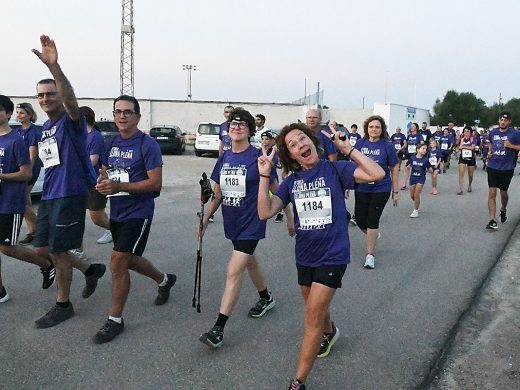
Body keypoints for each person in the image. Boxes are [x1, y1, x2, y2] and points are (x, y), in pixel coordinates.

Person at [256, 122, 384, 390]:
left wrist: (349, 149)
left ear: (313, 142)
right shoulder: (291, 182)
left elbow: (377, 173)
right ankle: (331, 331)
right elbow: (265, 212)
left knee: (312, 318)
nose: (300, 144)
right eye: (292, 144)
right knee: (315, 308)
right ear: (290, 156)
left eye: (303, 138)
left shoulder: (335, 170)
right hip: (305, 256)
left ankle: (298, 381)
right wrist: (264, 176)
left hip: (333, 255)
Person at [32, 35, 106, 328]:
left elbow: (71, 101)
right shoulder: (45, 127)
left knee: (59, 250)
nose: (46, 99)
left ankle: (63, 304)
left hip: (70, 193)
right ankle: (91, 269)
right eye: (41, 95)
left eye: (50, 94)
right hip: (50, 195)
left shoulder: (69, 120)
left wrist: (55, 69)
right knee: (44, 249)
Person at [93, 95, 176, 343]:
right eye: (118, 111)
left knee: (118, 261)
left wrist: (121, 185)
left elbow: (155, 183)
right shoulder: (111, 142)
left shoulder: (147, 144)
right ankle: (164, 280)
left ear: (138, 116)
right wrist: (103, 181)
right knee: (129, 260)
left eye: (128, 112)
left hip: (138, 212)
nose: (122, 116)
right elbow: (106, 171)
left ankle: (115, 320)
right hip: (117, 211)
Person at [197, 108, 283, 349]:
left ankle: (218, 329)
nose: (236, 128)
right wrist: (205, 218)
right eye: (232, 124)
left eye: (242, 124)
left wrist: (288, 217)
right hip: (232, 221)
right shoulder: (224, 158)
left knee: (233, 270)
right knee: (249, 260)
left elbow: (277, 191)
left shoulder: (259, 157)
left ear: (250, 130)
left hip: (253, 221)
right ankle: (266, 298)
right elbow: (218, 192)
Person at [0, 95, 55, 303]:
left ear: (7, 113)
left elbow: (26, 173)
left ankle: (46, 264)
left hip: (9, 201)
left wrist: (1, 176)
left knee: (7, 248)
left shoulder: (16, 140)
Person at [353, 115, 399, 269]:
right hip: (362, 187)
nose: (374, 129)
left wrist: (396, 191)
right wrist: (347, 186)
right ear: (366, 128)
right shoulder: (360, 144)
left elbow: (394, 167)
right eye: (371, 126)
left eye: (377, 127)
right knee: (360, 220)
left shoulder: (387, 145)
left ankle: (370, 255)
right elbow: (352, 166)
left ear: (382, 129)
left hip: (381, 188)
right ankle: (373, 235)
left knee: (373, 219)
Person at [485, 111, 520, 230]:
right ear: (498, 120)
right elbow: (491, 143)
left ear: (509, 122)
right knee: (492, 192)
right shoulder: (493, 132)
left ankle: (503, 209)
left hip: (507, 168)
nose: (503, 122)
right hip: (493, 166)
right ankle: (492, 220)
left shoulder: (515, 134)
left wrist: (511, 146)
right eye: (501, 120)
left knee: (503, 193)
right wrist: (489, 152)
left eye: (505, 120)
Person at [82, 106, 112, 245]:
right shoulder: (80, 135)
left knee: (96, 216)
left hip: (95, 181)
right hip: (81, 182)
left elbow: (93, 160)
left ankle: (114, 230)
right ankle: (77, 250)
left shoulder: (95, 136)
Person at [15, 102, 42, 245]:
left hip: (29, 171)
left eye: (22, 113)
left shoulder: (33, 133)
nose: (18, 115)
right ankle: (34, 232)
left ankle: (39, 229)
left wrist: (27, 173)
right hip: (20, 171)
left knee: (21, 202)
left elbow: (33, 156)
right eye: (17, 112)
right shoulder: (19, 131)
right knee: (26, 202)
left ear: (30, 115)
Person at [406, 142, 433, 218]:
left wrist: (430, 170)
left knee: (416, 194)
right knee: (412, 195)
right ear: (418, 150)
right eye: (423, 149)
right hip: (413, 177)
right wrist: (408, 167)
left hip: (421, 178)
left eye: (426, 149)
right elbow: (407, 165)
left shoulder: (425, 160)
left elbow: (430, 169)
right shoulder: (412, 158)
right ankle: (417, 204)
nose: (425, 150)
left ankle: (415, 210)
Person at [401, 122, 421, 190]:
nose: (411, 127)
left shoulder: (419, 135)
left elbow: (422, 143)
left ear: (416, 127)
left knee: (414, 169)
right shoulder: (409, 136)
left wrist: (419, 150)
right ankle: (404, 183)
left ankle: (414, 182)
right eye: (411, 126)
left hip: (415, 154)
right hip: (408, 153)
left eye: (413, 126)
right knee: (406, 168)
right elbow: (406, 144)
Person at [457, 126, 477, 195]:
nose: (466, 133)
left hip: (471, 158)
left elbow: (472, 148)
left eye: (468, 131)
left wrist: (463, 147)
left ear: (470, 132)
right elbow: (459, 147)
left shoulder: (473, 139)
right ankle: (460, 189)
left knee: (470, 175)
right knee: (461, 173)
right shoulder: (462, 139)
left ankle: (469, 185)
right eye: (465, 131)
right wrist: (459, 149)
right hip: (462, 157)